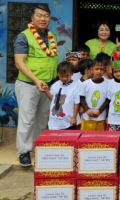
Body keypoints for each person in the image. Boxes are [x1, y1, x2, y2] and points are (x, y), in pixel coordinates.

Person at [14, 5, 58, 166]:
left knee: (42, 119)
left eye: (46, 15)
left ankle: (38, 148)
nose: (43, 19)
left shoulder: (51, 36)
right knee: (27, 119)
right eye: (39, 15)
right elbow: (19, 62)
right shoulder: (23, 37)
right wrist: (35, 80)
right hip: (28, 84)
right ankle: (24, 152)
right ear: (32, 18)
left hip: (48, 85)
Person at [44, 62, 80, 130]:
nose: (64, 78)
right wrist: (46, 91)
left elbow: (76, 103)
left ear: (72, 74)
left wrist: (74, 117)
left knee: (67, 139)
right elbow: (53, 99)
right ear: (58, 74)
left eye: (67, 76)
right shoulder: (55, 85)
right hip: (54, 121)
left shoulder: (76, 85)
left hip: (68, 122)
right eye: (61, 76)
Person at [80, 59, 109, 130]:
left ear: (104, 70)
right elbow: (81, 98)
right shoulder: (85, 84)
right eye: (97, 69)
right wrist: (87, 110)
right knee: (86, 138)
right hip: (87, 117)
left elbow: (108, 100)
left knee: (99, 139)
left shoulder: (108, 84)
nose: (99, 71)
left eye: (101, 69)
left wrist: (99, 111)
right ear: (91, 70)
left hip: (101, 117)